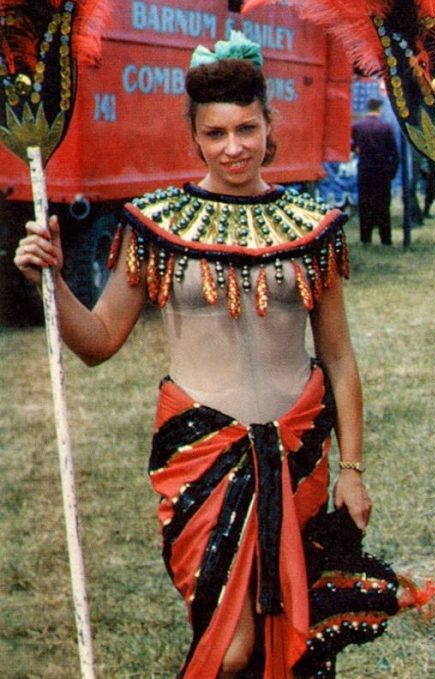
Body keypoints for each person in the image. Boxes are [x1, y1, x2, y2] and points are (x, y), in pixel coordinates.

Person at [14, 34, 383, 678]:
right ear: (195, 135)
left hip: (296, 452)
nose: (233, 147)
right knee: (230, 642)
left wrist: (351, 467)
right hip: (200, 454)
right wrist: (47, 280)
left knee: (291, 638)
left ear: (271, 126)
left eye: (247, 128)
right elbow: (99, 342)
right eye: (216, 134)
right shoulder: (154, 224)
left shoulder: (311, 226)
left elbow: (340, 359)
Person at [352, 97, 401, 245]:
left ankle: (365, 238)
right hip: (382, 172)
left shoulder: (358, 126)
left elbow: (352, 146)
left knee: (365, 204)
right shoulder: (386, 127)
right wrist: (391, 173)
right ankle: (385, 239)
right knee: (383, 206)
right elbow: (394, 153)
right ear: (379, 109)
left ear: (367, 109)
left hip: (365, 171)